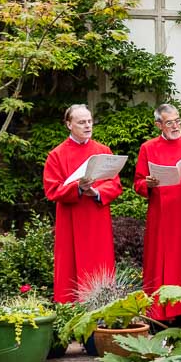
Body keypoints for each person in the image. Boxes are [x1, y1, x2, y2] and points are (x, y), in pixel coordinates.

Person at [134, 104, 181, 321]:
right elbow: (137, 183)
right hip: (161, 215)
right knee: (161, 261)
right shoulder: (148, 148)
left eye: (178, 121)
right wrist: (147, 183)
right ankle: (160, 315)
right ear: (159, 124)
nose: (176, 126)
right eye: (170, 122)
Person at [43, 104, 123, 304]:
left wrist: (96, 192)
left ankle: (103, 316)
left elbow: (115, 184)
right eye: (81, 122)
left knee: (99, 265)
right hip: (71, 219)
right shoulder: (57, 155)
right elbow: (52, 190)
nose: (87, 126)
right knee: (70, 267)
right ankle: (72, 316)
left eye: (89, 121)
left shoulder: (102, 150)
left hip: (97, 218)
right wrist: (77, 188)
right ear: (69, 125)